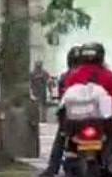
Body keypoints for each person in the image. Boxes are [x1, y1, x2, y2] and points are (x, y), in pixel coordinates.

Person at [62, 43, 112, 177]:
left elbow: (65, 100)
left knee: (66, 143)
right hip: (104, 125)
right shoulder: (109, 76)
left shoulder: (73, 77)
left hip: (76, 125)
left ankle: (58, 164)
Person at [38, 46, 81, 177]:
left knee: (61, 138)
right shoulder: (93, 75)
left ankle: (53, 167)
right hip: (89, 118)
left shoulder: (65, 77)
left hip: (72, 119)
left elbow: (62, 100)